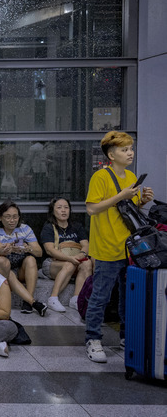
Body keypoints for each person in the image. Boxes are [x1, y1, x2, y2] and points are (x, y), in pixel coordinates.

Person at [84, 131, 153, 363]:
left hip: (130, 248)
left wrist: (142, 200)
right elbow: (92, 209)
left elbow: (127, 211)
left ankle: (126, 337)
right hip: (106, 247)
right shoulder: (101, 177)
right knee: (100, 296)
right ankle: (93, 339)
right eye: (124, 149)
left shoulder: (131, 175)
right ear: (111, 155)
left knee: (128, 297)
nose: (130, 152)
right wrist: (121, 195)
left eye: (131, 148)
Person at [0, 200, 47, 316]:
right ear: (0, 218)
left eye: (15, 217)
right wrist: (6, 249)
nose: (12, 220)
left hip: (22, 270)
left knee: (31, 259)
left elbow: (39, 252)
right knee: (8, 271)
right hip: (6, 271)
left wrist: (27, 248)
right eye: (8, 217)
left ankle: (27, 301)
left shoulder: (25, 229)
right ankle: (33, 301)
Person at [40, 197, 93, 313]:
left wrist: (82, 254)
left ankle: (76, 298)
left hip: (75, 260)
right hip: (52, 263)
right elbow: (50, 250)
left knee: (87, 263)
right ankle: (53, 298)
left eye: (66, 207)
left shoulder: (76, 226)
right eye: (59, 208)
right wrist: (70, 258)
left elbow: (85, 245)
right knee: (69, 264)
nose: (63, 210)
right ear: (53, 211)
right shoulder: (49, 227)